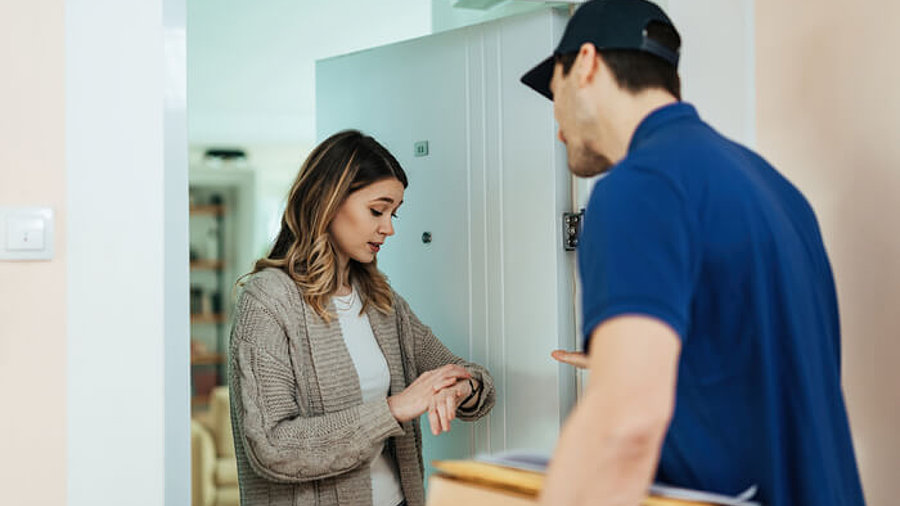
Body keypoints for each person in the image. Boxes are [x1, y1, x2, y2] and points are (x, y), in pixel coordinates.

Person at [520, 1, 865, 505]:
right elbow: (760, 370)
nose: (557, 125)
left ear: (587, 63)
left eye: (554, 94)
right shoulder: (777, 190)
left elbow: (625, 424)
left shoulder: (637, 187)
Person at [228, 130, 495, 506]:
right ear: (328, 201)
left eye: (393, 213)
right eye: (377, 210)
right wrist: (395, 408)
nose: (389, 227)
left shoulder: (382, 302)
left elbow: (473, 376)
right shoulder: (268, 301)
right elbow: (271, 446)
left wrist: (461, 389)